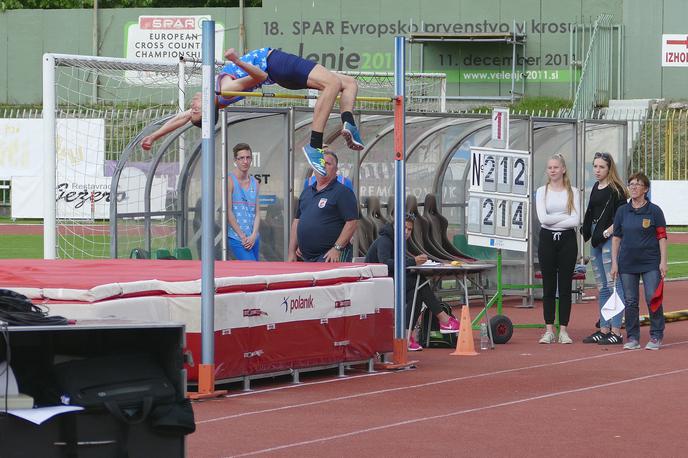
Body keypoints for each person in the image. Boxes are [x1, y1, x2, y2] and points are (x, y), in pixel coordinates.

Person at [141, 47, 365, 176]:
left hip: (279, 70)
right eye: (196, 110)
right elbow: (260, 77)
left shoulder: (218, 95)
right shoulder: (225, 90)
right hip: (275, 63)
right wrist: (237, 60)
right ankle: (315, 144)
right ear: (208, 110)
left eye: (193, 109)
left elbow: (182, 118)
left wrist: (154, 135)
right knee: (332, 85)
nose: (193, 106)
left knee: (349, 83)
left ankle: (348, 122)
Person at [365, 214, 459, 351]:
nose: (407, 232)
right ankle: (443, 319)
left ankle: (406, 337)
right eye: (404, 228)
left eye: (410, 229)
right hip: (378, 285)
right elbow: (385, 263)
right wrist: (413, 261)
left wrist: (418, 263)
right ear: (395, 226)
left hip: (390, 282)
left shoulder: (399, 243)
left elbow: (401, 265)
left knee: (418, 291)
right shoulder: (385, 240)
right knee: (419, 284)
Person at [611, 172, 668, 351]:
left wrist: (663, 262)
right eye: (631, 184)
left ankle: (656, 335)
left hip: (650, 262)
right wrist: (614, 262)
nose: (633, 187)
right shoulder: (622, 211)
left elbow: (662, 237)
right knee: (630, 301)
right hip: (627, 263)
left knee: (653, 297)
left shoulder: (655, 211)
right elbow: (616, 238)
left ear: (646, 189)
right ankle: (633, 337)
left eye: (637, 184)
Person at [581, 152, 629, 345]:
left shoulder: (616, 189)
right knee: (601, 286)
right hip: (596, 237)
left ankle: (616, 330)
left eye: (601, 167)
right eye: (595, 166)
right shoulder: (595, 186)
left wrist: (607, 233)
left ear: (609, 168)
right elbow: (592, 211)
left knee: (614, 284)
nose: (597, 170)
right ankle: (604, 328)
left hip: (610, 238)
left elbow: (620, 217)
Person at [535, 153, 581, 344]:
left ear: (563, 169)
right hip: (546, 240)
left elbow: (576, 220)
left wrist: (559, 221)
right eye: (550, 168)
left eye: (556, 167)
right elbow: (543, 219)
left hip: (567, 241)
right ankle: (548, 330)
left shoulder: (573, 191)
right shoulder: (541, 191)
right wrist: (564, 217)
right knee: (548, 286)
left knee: (564, 286)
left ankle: (563, 330)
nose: (552, 170)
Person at [288, 151, 358, 262]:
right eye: (320, 163)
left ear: (336, 170)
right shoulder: (306, 192)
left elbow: (352, 222)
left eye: (328, 163)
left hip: (329, 257)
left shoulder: (343, 192)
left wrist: (337, 249)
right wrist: (291, 251)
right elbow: (297, 221)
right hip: (303, 257)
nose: (323, 166)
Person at [226, 143, 260, 260]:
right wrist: (242, 236)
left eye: (248, 157)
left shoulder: (255, 182)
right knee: (253, 272)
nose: (245, 161)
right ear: (235, 160)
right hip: (238, 238)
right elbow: (228, 212)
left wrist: (254, 235)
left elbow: (257, 213)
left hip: (253, 238)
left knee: (257, 273)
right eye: (241, 158)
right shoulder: (229, 180)